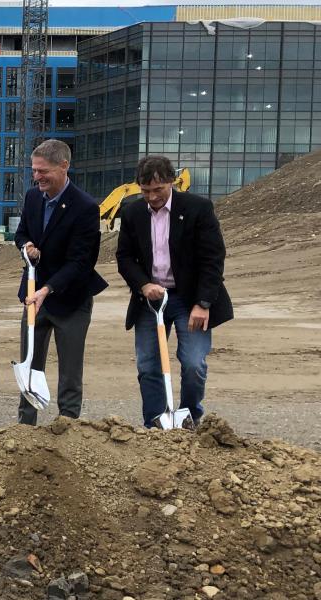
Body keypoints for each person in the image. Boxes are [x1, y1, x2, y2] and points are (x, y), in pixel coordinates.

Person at [115, 155, 232, 428]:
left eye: (158, 190)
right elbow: (124, 257)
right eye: (145, 191)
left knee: (193, 363)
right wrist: (144, 285)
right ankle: (156, 421)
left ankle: (189, 416)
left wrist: (203, 303)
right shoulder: (132, 212)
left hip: (189, 298)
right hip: (150, 300)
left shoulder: (198, 209)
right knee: (148, 365)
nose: (152, 197)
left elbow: (213, 259)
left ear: (171, 182)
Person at [13, 139, 108, 425]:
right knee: (30, 361)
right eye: (35, 170)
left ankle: (68, 425)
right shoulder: (32, 197)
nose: (38, 176)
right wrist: (26, 245)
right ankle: (24, 427)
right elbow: (20, 233)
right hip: (34, 295)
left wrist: (48, 289)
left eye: (44, 171)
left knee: (69, 369)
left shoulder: (86, 208)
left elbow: (80, 262)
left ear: (64, 166)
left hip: (71, 298)